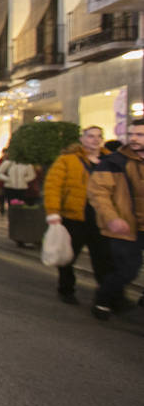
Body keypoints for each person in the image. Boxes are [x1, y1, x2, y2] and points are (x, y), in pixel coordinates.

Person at [43, 126, 112, 306]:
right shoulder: (67, 160)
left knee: (103, 258)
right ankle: (66, 289)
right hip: (74, 217)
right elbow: (53, 187)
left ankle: (105, 296)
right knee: (68, 256)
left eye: (98, 136)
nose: (95, 140)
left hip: (102, 218)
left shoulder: (111, 161)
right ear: (82, 139)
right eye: (90, 136)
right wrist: (53, 212)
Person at [86, 118, 144, 320]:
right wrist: (112, 218)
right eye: (132, 134)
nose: (135, 138)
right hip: (126, 226)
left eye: (140, 135)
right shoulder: (115, 162)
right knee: (127, 271)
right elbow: (98, 193)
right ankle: (103, 298)